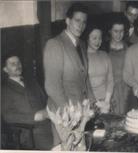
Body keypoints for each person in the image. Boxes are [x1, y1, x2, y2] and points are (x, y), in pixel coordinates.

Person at [43, 3, 96, 146]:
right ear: (67, 20)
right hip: (64, 114)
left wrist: (92, 103)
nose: (81, 25)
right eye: (77, 20)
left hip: (80, 113)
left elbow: (84, 78)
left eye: (84, 22)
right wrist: (70, 114)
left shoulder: (82, 45)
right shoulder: (55, 44)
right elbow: (52, 86)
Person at [1, 54, 52, 150]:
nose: (18, 65)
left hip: (49, 124)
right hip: (29, 132)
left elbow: (45, 100)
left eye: (19, 62)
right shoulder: (4, 89)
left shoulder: (32, 82)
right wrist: (34, 117)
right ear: (5, 70)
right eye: (13, 64)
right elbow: (7, 116)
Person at [103, 16, 129, 115]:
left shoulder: (129, 47)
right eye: (115, 31)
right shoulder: (103, 47)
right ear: (110, 31)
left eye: (121, 31)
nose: (119, 34)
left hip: (125, 89)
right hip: (109, 89)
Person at [84, 25, 114, 114]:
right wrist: (95, 103)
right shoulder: (82, 57)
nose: (98, 41)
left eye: (100, 38)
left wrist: (107, 102)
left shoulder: (105, 55)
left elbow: (110, 80)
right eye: (94, 38)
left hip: (106, 102)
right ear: (87, 39)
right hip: (88, 103)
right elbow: (82, 84)